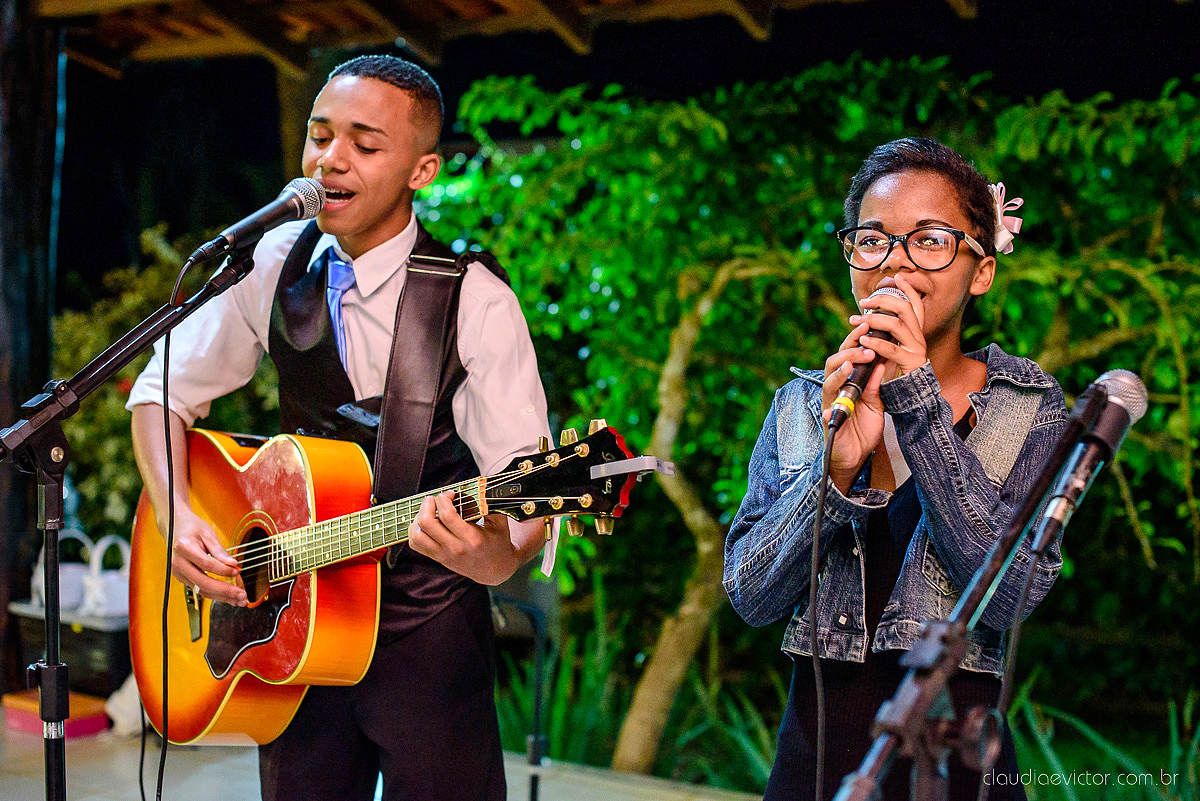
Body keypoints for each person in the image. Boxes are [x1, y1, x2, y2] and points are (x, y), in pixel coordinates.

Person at [127, 55, 551, 801]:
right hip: (290, 636)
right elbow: (160, 389)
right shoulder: (269, 264)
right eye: (320, 136)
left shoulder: (476, 301)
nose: (330, 159)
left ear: (421, 171)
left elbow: (531, 493)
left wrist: (494, 559)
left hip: (430, 642)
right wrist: (179, 509)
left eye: (364, 142)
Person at [723, 137, 1066, 801]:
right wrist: (837, 465)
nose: (896, 262)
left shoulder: (1029, 406)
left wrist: (915, 397)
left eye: (930, 240)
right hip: (815, 771)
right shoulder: (802, 403)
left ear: (982, 269)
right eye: (874, 239)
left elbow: (1017, 587)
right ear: (852, 256)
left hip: (956, 770)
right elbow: (752, 594)